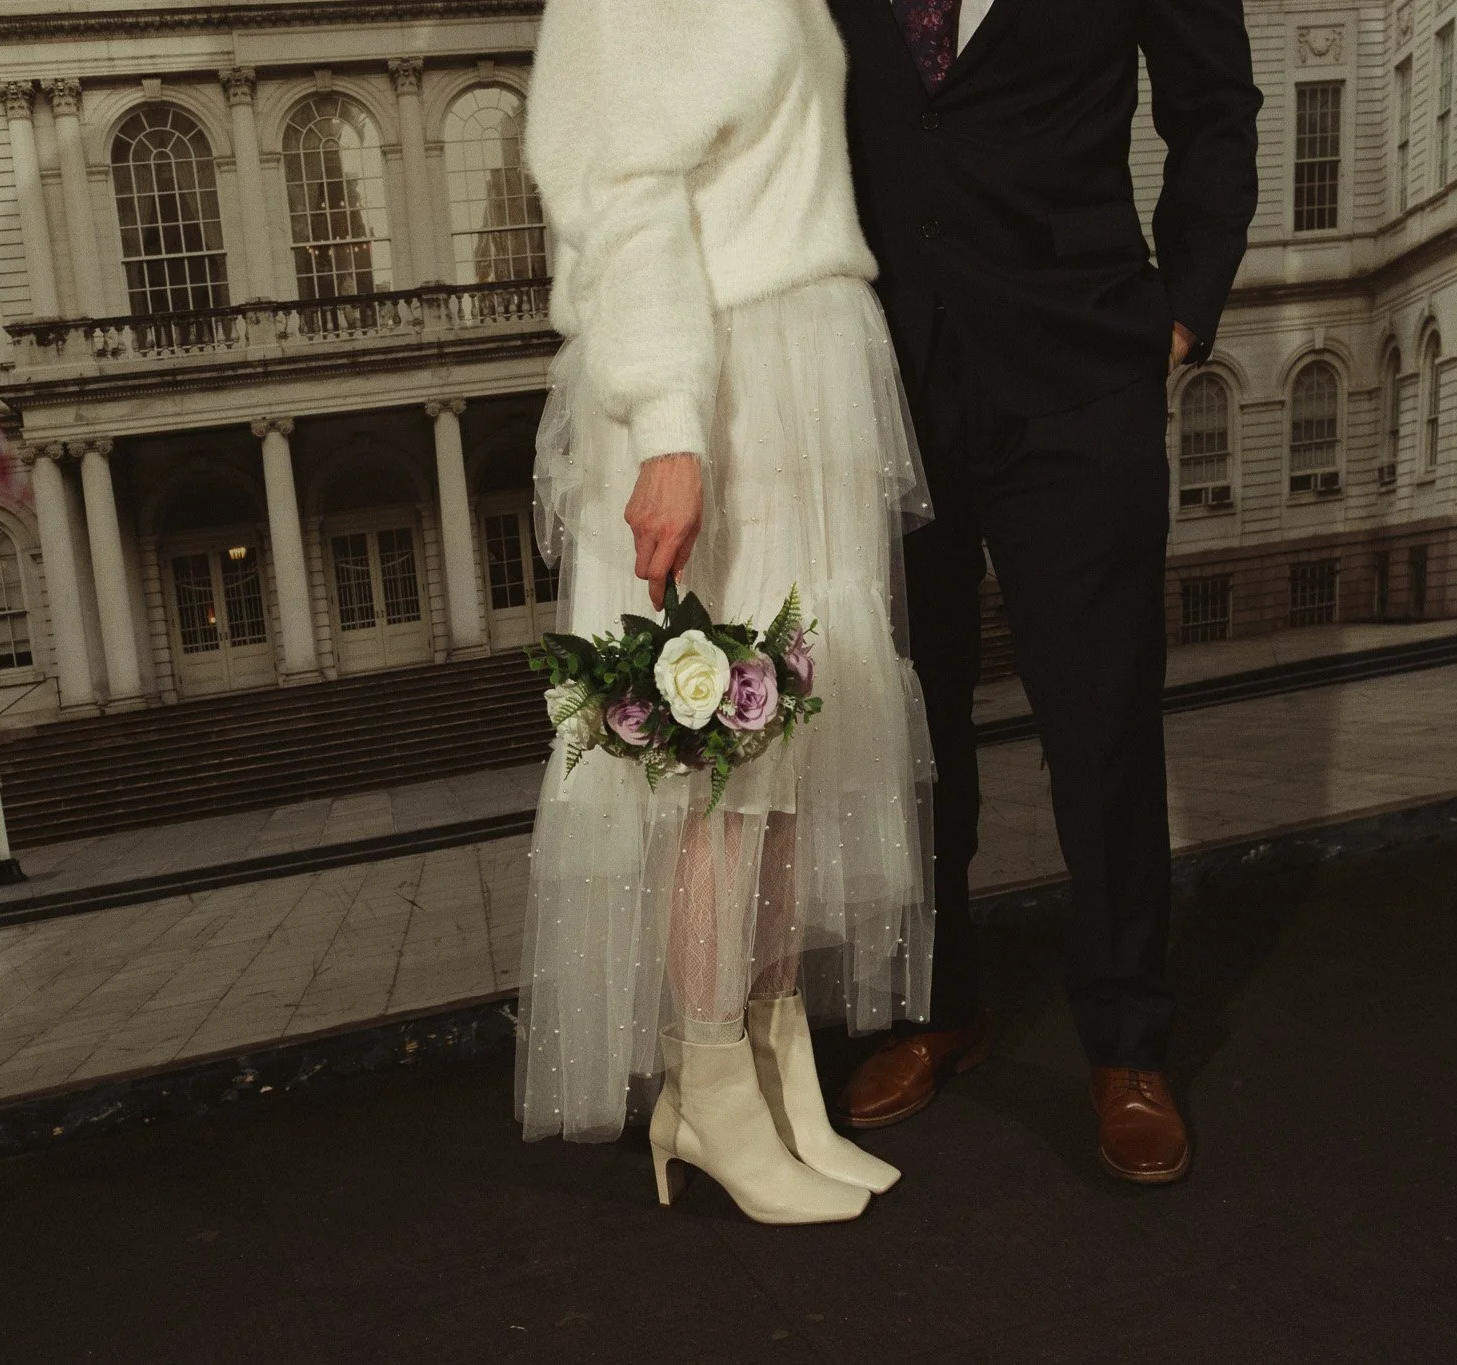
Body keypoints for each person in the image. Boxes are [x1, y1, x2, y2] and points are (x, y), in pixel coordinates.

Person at [514, 0, 937, 1225]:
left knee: (790, 743)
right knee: (721, 761)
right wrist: (667, 426)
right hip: (719, 380)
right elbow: (623, 193)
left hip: (796, 364)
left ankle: (768, 1057)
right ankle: (705, 1085)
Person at [828, 0, 1263, 1183]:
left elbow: (1215, 111)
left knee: (1100, 726)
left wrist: (1178, 315)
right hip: (884, 389)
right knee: (914, 730)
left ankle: (1125, 1046)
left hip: (1078, 380)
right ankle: (937, 1007)